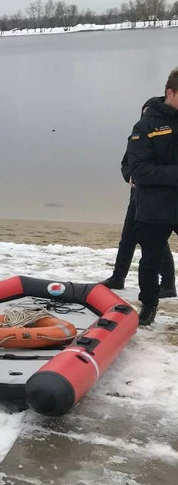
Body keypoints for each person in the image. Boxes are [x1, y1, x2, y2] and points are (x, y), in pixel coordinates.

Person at [100, 96, 175, 297]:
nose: (145, 115)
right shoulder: (139, 133)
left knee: (156, 242)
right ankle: (118, 277)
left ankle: (168, 283)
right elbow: (126, 163)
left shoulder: (164, 134)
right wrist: (129, 177)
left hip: (158, 198)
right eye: (143, 112)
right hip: (137, 194)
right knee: (128, 238)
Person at [126, 68, 178, 326]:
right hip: (154, 207)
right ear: (170, 93)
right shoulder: (145, 125)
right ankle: (149, 305)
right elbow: (139, 170)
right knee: (151, 260)